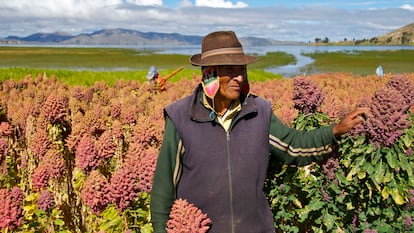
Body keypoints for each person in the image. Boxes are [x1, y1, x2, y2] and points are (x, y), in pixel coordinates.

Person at [150, 31, 368, 233]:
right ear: (209, 74)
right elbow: (164, 188)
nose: (239, 78)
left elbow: (292, 145)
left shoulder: (259, 112)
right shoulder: (180, 117)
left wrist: (335, 131)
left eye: (241, 70)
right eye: (230, 70)